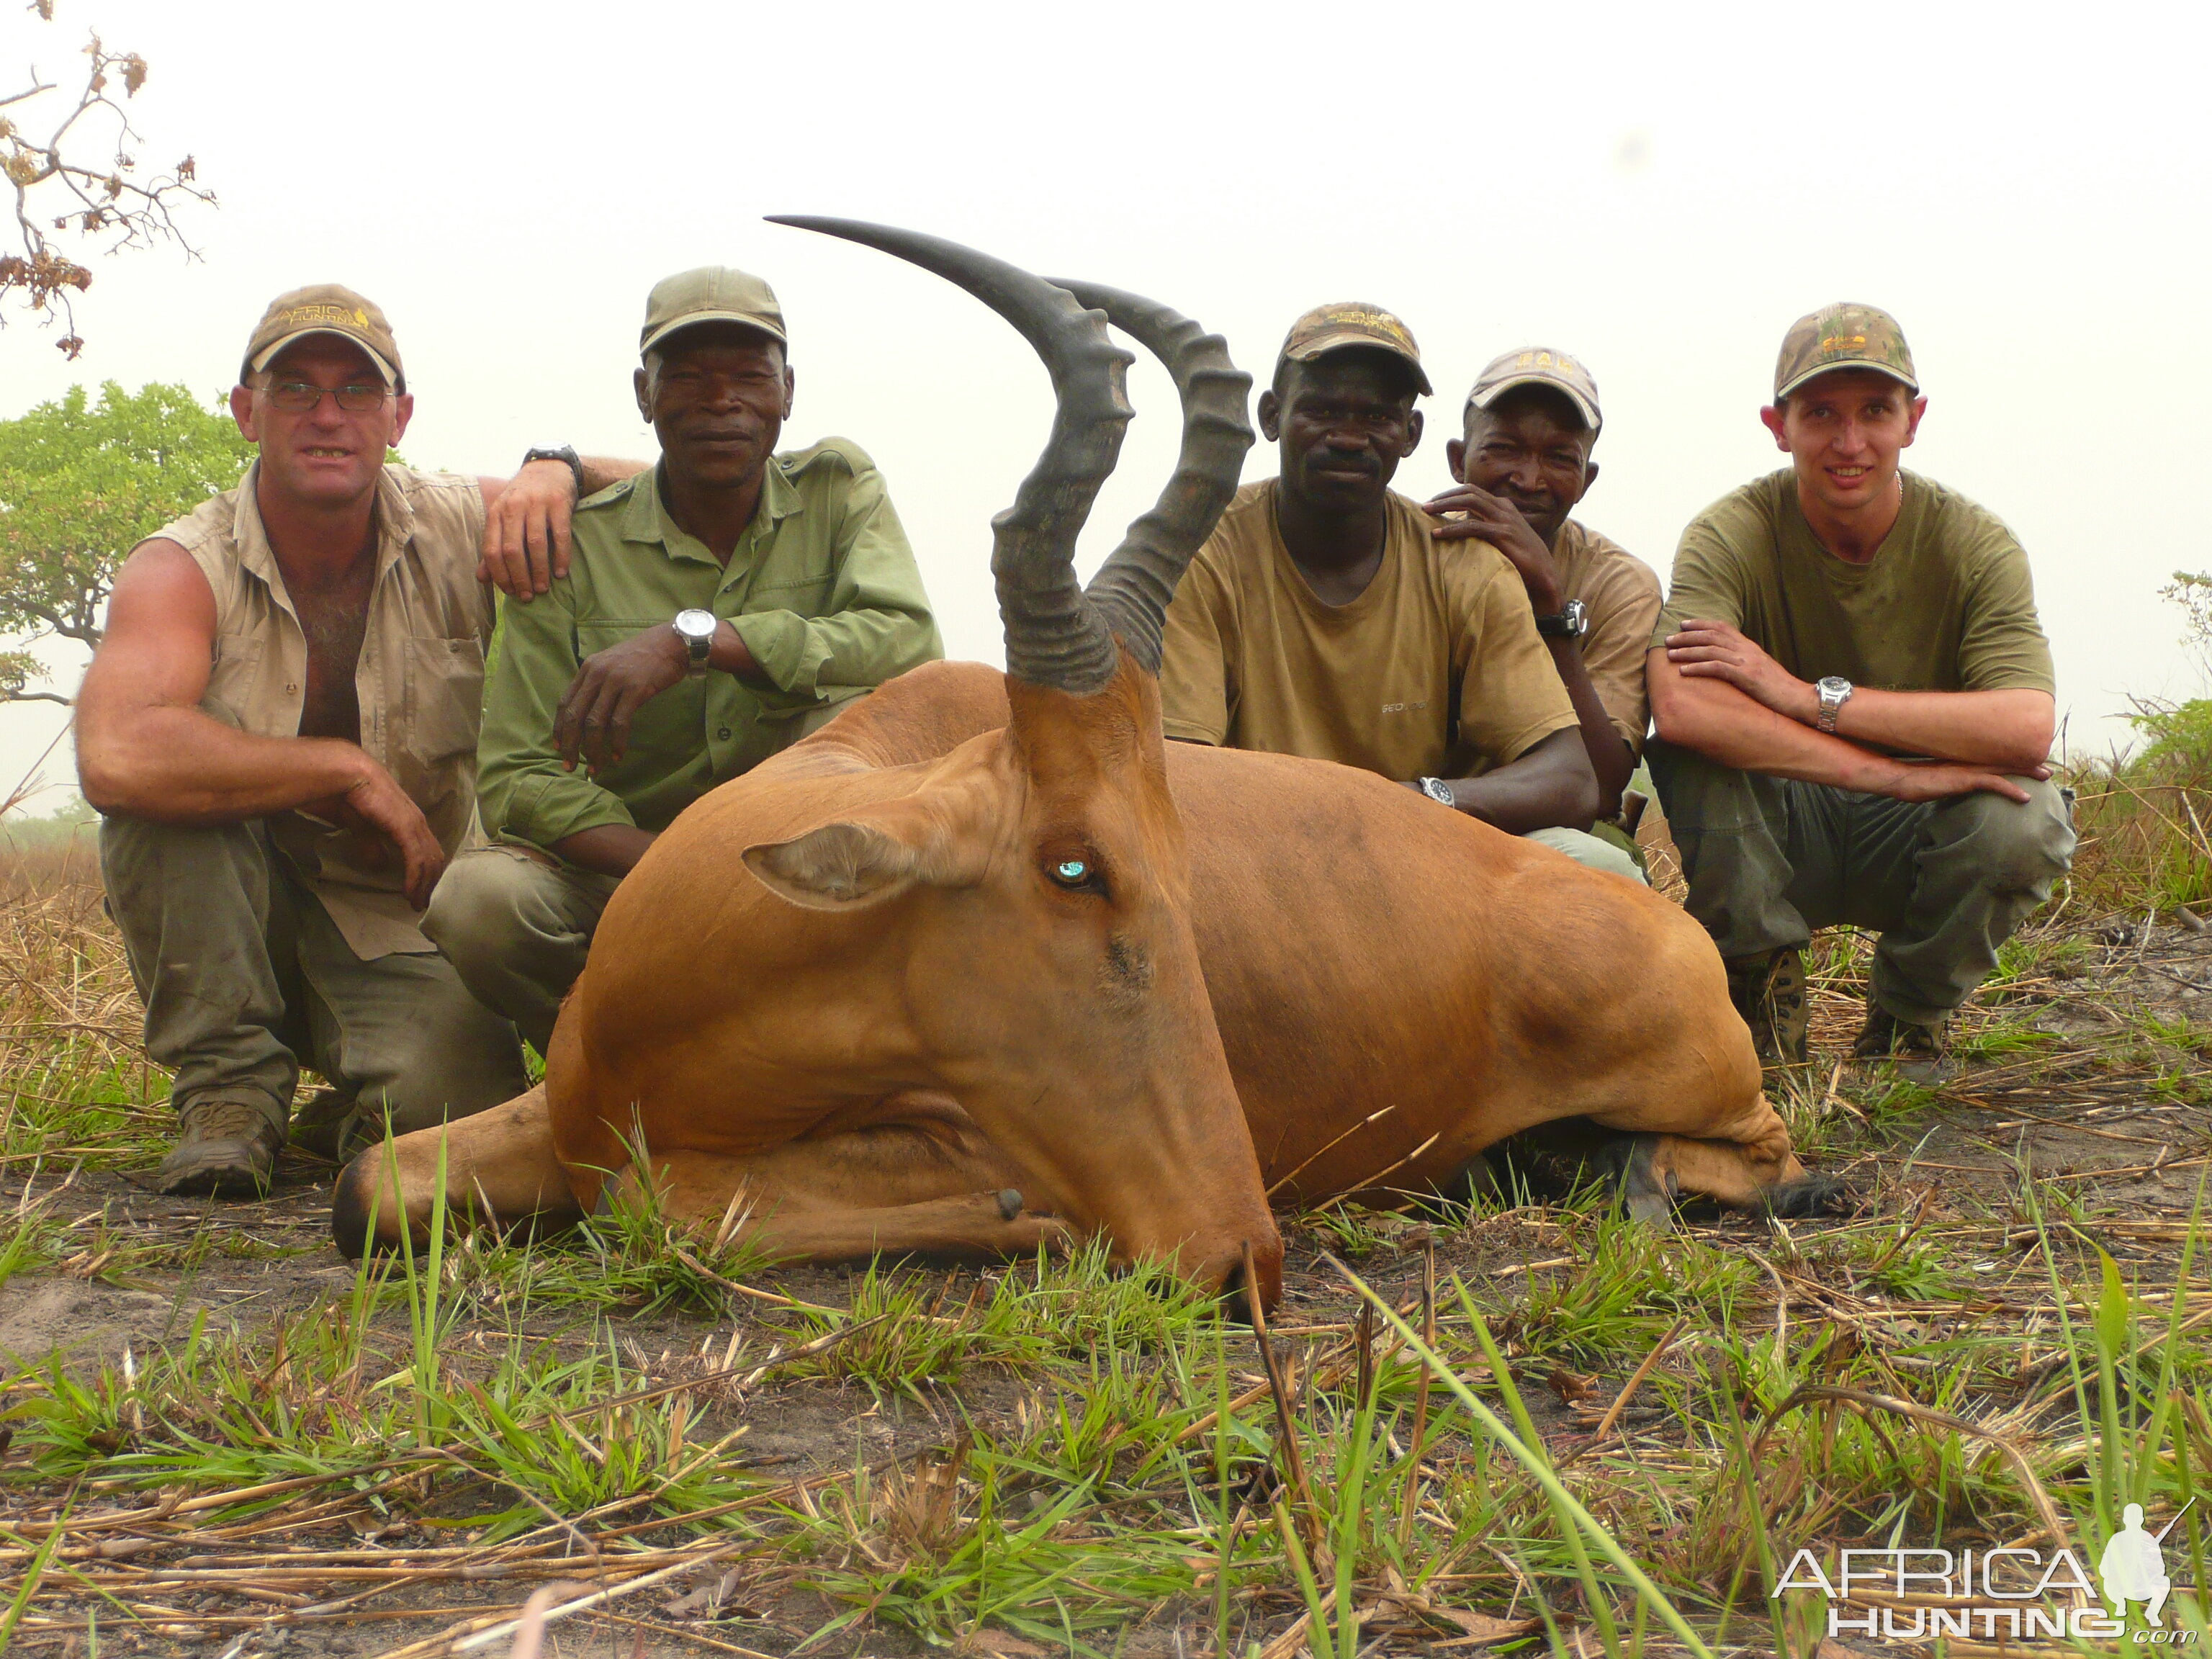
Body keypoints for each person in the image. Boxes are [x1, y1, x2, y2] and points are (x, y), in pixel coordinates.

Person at [75, 284, 619, 1195]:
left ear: (399, 416)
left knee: (456, 1109)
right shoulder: (180, 563)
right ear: (247, 412)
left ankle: (354, 1112)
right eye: (295, 390)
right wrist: (343, 769)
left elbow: (671, 494)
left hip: (397, 913)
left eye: (357, 392)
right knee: (156, 804)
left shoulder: (461, 521)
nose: (327, 417)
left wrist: (555, 468)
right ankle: (229, 1094)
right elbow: (116, 754)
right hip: (242, 905)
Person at [423, 266, 943, 1055]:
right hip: (628, 881)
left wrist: (696, 641)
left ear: (788, 391)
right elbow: (517, 776)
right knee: (478, 901)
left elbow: (907, 642)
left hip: (807, 880)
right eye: (689, 377)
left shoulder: (839, 490)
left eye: (747, 375)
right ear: (644, 394)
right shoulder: (571, 544)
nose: (720, 400)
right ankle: (605, 1069)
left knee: (859, 722)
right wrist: (685, 869)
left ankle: (840, 1060)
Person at [1646, 302, 2074, 1069]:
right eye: (1821, 415)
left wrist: (1807, 697)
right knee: (1700, 761)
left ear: (1913, 420)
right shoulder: (1728, 532)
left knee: (2027, 817)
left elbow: (2027, 727)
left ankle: (1910, 1015)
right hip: (1788, 819)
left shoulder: (1974, 542)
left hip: (1914, 834)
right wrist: (1880, 773)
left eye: (1875, 411)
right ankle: (1763, 1003)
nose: (1850, 443)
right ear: (1779, 426)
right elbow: (1681, 706)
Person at [1159, 304, 1631, 877]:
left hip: (1416, 854)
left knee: (1600, 868)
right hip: (1256, 859)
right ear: (1272, 416)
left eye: (1376, 417)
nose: (1349, 438)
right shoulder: (1201, 551)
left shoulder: (1465, 565)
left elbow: (1571, 778)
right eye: (1323, 410)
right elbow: (1182, 775)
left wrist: (1408, 802)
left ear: (1409, 435)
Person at [1425, 348, 1663, 866]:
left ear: (1587, 478)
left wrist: (1550, 608)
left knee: (1602, 866)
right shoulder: (1409, 556)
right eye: (1504, 449)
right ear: (1457, 459)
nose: (1529, 480)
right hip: (1401, 816)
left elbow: (1600, 788)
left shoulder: (1620, 583)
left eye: (1559, 459)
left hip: (1549, 829)